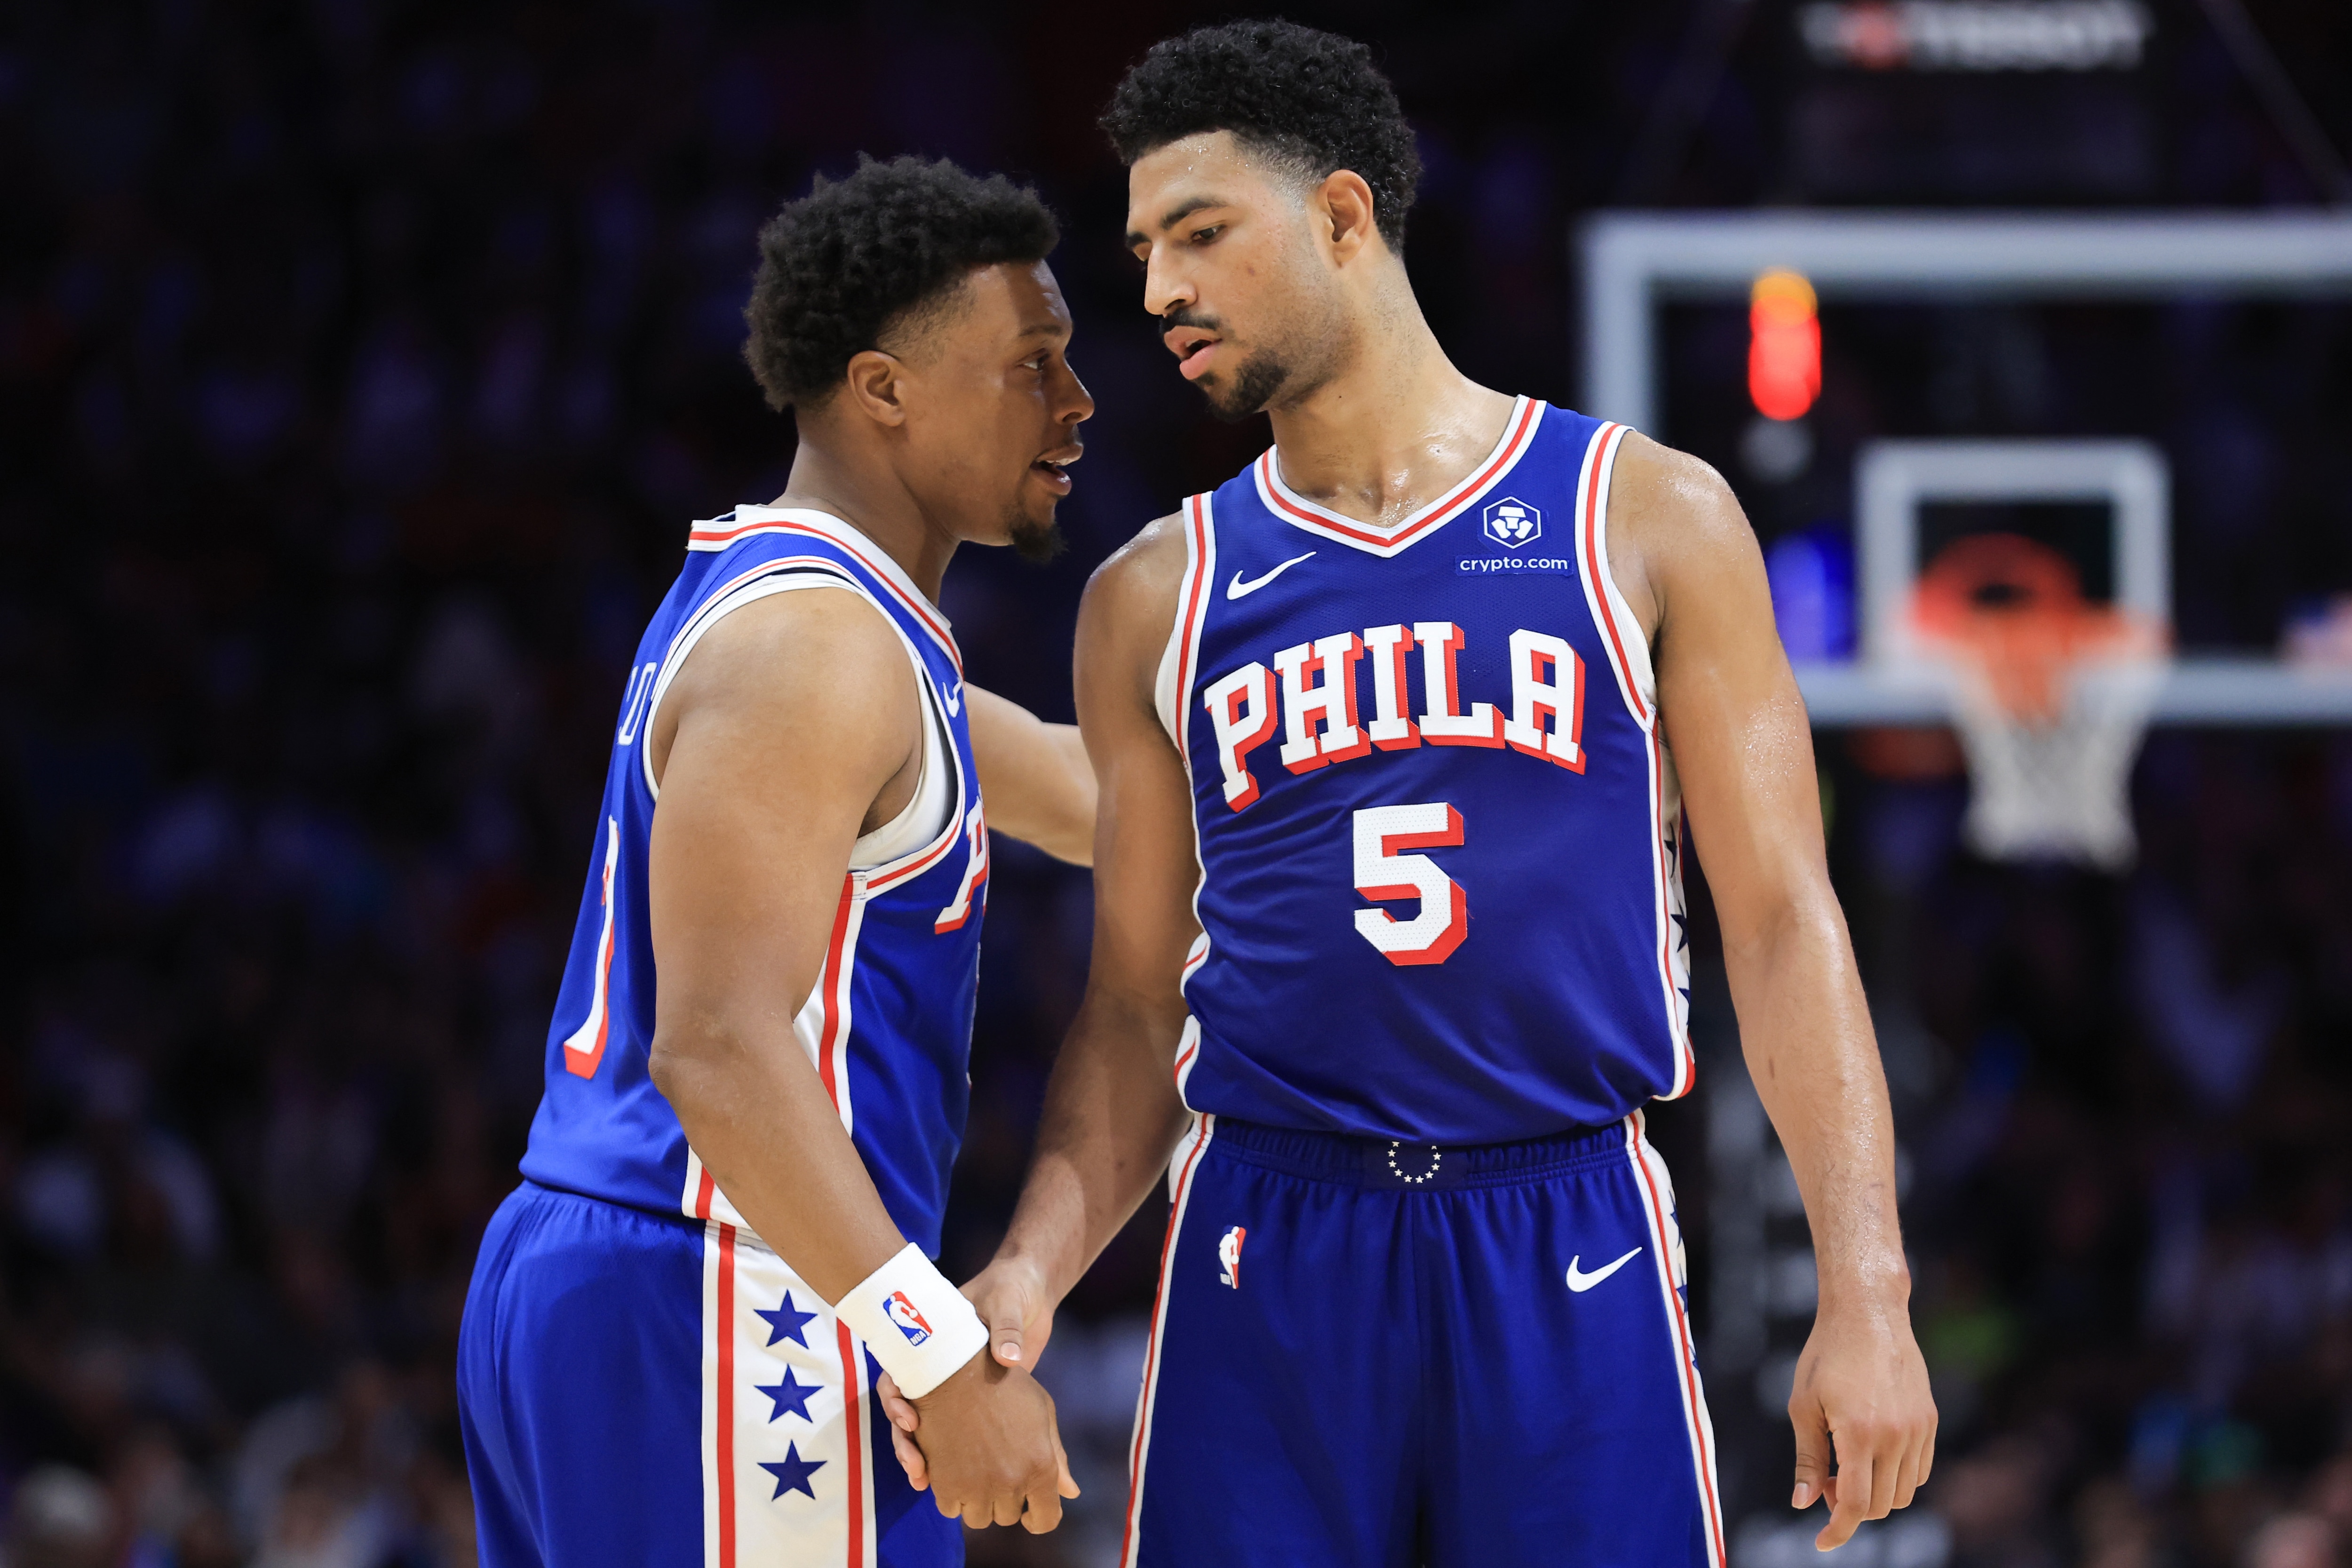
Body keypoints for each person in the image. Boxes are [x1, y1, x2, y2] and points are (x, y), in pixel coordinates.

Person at [882, 22, 1937, 1566]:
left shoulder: (1643, 514)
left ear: (1342, 217)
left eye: (1201, 234)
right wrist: (1031, 1274)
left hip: (1565, 1219)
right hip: (1268, 1238)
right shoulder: (1154, 595)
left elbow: (1781, 921)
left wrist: (1867, 1290)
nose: (1161, 287)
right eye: (1144, 249)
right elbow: (1129, 1010)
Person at [456, 155, 1097, 1568]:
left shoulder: (840, 627)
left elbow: (1089, 795)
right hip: (726, 1287)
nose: (1077, 404)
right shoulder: (816, 650)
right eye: (1032, 366)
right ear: (886, 391)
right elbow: (719, 1046)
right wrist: (931, 1351)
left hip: (644, 1271)